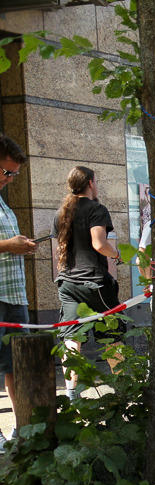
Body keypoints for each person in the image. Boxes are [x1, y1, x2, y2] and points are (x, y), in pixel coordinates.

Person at [53, 166, 125, 400]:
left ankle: (72, 394)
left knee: (72, 337)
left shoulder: (61, 212)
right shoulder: (97, 209)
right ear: (91, 183)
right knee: (112, 336)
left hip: (68, 283)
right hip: (95, 284)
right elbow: (99, 244)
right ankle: (123, 389)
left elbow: (60, 251)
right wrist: (115, 254)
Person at [0, 135, 39, 442]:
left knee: (18, 366)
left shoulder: (2, 199)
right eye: (7, 172)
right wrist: (8, 245)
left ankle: (23, 428)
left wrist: (20, 245)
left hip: (14, 295)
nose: (10, 179)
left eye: (14, 174)